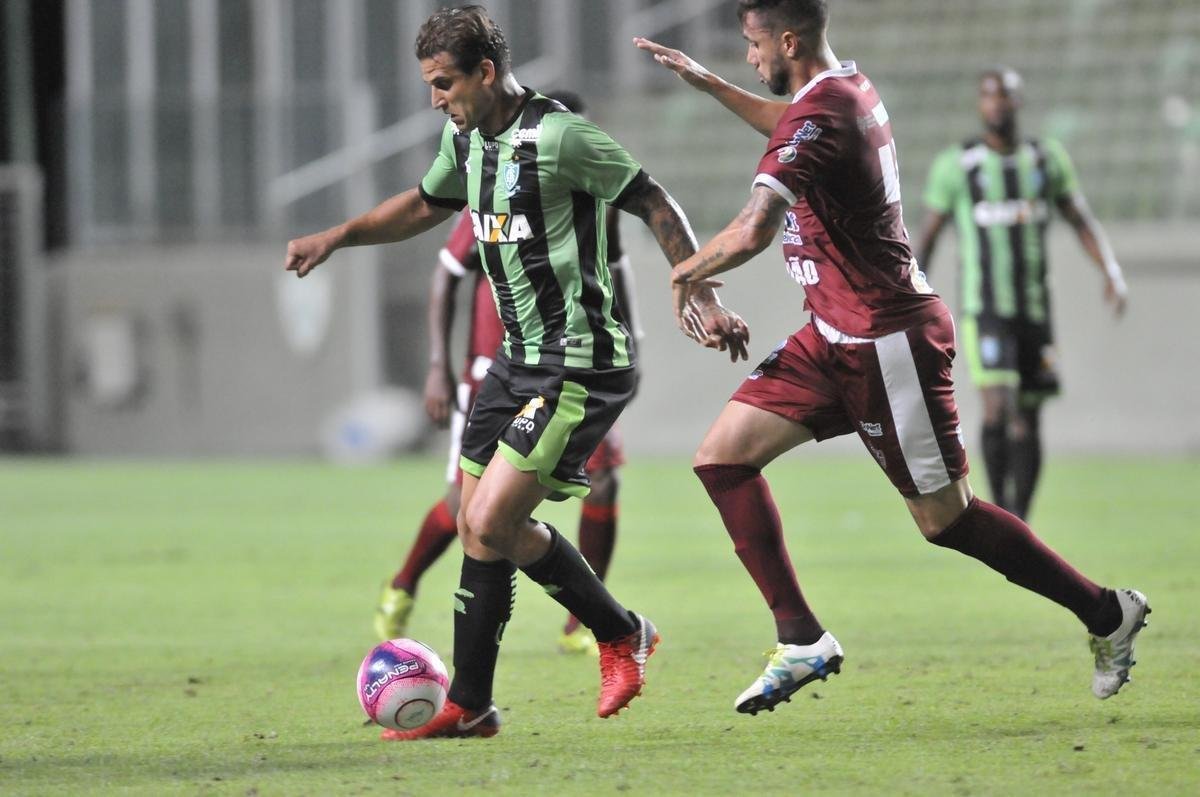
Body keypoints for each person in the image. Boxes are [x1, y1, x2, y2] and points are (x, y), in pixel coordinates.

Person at [634, 0, 1147, 715]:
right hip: (832, 333)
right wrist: (712, 86)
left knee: (947, 520)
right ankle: (801, 636)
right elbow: (792, 129)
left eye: (752, 46)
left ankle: (1105, 611)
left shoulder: (820, 115)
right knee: (722, 457)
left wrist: (682, 271)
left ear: (787, 39)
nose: (747, 59)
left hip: (885, 340)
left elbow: (754, 227)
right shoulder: (842, 91)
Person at [286, 6, 747, 740]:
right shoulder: (466, 142)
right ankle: (472, 705)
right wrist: (339, 237)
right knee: (477, 527)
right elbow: (424, 204)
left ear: (486, 73)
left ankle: (621, 631)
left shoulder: (559, 135)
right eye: (431, 85)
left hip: (580, 361)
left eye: (445, 84)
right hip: (514, 363)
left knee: (496, 518)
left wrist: (702, 285)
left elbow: (652, 196)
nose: (436, 99)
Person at [375, 91, 644, 658]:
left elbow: (615, 265)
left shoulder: (590, 195)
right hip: (498, 371)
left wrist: (632, 340)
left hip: (574, 366)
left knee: (598, 483)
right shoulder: (503, 183)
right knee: (469, 512)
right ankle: (404, 585)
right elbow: (447, 271)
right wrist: (438, 368)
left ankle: (590, 628)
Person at [912, 67, 1128, 520]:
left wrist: (1109, 268)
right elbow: (929, 236)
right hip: (984, 309)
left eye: (1006, 96)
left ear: (1018, 102)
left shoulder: (1045, 159)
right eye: (990, 96)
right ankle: (1002, 514)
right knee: (996, 409)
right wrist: (912, 292)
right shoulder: (958, 165)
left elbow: (1079, 217)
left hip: (1034, 309)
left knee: (1029, 417)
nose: (998, 104)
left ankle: (1021, 520)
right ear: (979, 104)